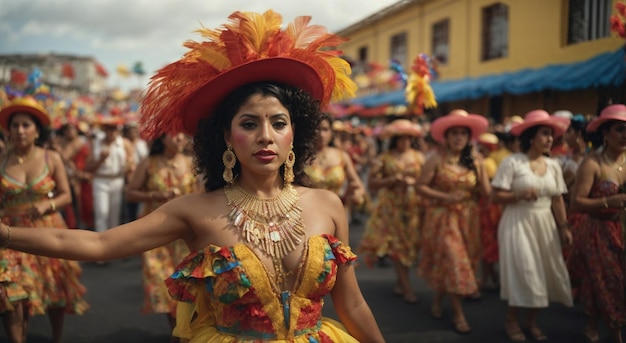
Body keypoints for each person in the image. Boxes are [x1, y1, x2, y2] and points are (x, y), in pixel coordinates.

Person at [0, 10, 385, 343]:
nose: (265, 136)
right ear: (226, 137)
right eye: (249, 124)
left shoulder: (328, 204)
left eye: (278, 123)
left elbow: (351, 302)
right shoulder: (195, 211)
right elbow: (100, 245)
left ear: (294, 133)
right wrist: (7, 235)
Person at [0, 96, 89, 343]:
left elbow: (66, 196)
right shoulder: (2, 160)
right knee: (13, 292)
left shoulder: (51, 158)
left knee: (53, 291)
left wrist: (45, 205)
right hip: (10, 235)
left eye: (25, 125)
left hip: (47, 230)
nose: (19, 130)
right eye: (15, 125)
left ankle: (57, 337)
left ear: (37, 130)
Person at [491, 109, 573, 342]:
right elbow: (495, 197)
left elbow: (557, 198)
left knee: (544, 272)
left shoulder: (554, 165)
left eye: (551, 135)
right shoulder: (513, 162)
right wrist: (519, 194)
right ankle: (512, 320)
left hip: (545, 223)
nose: (549, 139)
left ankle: (531, 321)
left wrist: (564, 226)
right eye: (544, 134)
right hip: (517, 223)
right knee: (525, 271)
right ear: (531, 137)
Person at [415, 109, 490, 335]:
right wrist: (444, 197)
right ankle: (458, 314)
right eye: (454, 133)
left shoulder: (475, 162)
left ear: (469, 138)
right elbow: (420, 186)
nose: (459, 137)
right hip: (442, 219)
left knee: (457, 264)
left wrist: (483, 168)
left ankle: (438, 299)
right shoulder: (436, 160)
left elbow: (486, 192)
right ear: (446, 137)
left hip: (468, 219)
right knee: (455, 262)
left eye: (463, 134)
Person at [125, 133, 200, 339]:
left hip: (186, 236)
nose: (180, 138)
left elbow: (203, 195)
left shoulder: (193, 163)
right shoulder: (149, 163)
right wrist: (154, 196)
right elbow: (130, 192)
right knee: (164, 284)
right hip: (156, 235)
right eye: (174, 134)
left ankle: (188, 333)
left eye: (183, 134)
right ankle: (176, 332)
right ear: (162, 138)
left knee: (190, 287)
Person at [568, 104, 626, 343]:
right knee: (611, 283)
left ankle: (592, 324)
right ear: (605, 133)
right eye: (619, 129)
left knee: (605, 283)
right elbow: (576, 203)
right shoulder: (592, 164)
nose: (625, 135)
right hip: (600, 232)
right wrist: (607, 201)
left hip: (623, 231)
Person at [358, 118, 424, 304]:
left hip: (413, 207)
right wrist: (391, 181)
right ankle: (406, 287)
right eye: (400, 138)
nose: (404, 142)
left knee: (411, 246)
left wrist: (413, 183)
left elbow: (425, 181)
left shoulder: (419, 157)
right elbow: (372, 183)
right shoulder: (384, 159)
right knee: (397, 246)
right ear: (394, 139)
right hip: (391, 207)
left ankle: (400, 281)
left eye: (407, 138)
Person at [304, 113, 366, 215]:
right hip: (309, 213)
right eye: (317, 129)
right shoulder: (302, 157)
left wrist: (357, 194)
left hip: (337, 212)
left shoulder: (342, 156)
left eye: (325, 129)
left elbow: (359, 185)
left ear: (331, 133)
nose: (321, 134)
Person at [85, 115, 134, 239]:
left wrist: (130, 167)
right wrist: (101, 160)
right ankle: (99, 247)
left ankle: (113, 245)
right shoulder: (95, 144)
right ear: (104, 130)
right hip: (101, 180)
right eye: (109, 128)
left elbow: (132, 164)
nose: (112, 132)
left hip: (118, 180)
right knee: (101, 213)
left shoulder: (124, 143)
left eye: (114, 128)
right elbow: (88, 167)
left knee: (115, 215)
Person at [475, 132, 502, 291]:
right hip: (487, 205)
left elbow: (487, 188)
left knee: (488, 242)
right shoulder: (489, 161)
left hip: (487, 205)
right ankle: (490, 276)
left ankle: (487, 277)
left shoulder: (487, 163)